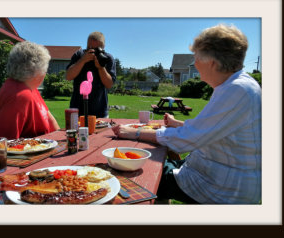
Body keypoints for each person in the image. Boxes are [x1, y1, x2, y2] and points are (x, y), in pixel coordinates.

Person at [112, 24, 261, 204]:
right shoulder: (238, 85)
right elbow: (210, 131)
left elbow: (187, 140)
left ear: (212, 62)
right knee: (150, 166)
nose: (195, 63)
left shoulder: (236, 89)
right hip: (209, 172)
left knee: (137, 173)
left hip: (222, 189)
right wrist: (177, 124)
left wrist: (133, 133)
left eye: (196, 57)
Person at [0, 41, 60, 140]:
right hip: (33, 153)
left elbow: (49, 118)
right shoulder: (20, 96)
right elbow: (1, 143)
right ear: (37, 72)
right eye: (46, 69)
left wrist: (62, 140)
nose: (46, 73)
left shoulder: (29, 87)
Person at [66, 31, 116, 118]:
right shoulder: (79, 55)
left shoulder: (107, 58)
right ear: (87, 45)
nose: (93, 51)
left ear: (103, 47)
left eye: (97, 49)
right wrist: (83, 60)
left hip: (100, 112)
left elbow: (109, 84)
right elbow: (68, 76)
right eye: (90, 48)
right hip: (77, 111)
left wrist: (101, 67)